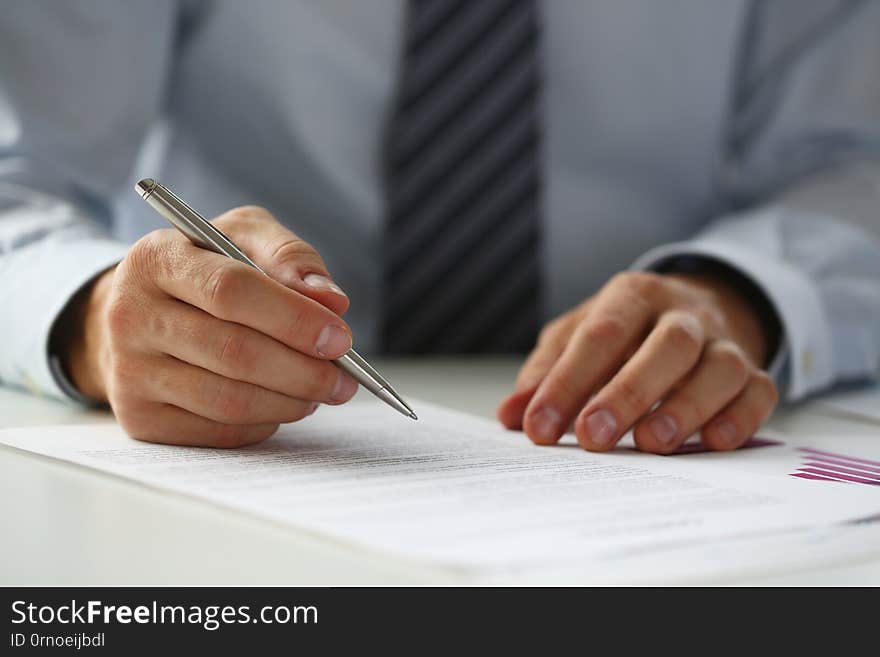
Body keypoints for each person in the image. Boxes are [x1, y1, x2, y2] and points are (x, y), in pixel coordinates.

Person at [1, 1, 878, 454]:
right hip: (245, 432)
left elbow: (855, 158)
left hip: (638, 421)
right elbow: (17, 170)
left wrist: (737, 290)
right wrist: (96, 314)